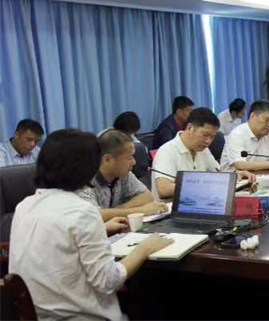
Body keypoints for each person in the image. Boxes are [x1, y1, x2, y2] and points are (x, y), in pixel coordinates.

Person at [9, 128, 173, 321]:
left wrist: (100, 228)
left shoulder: (25, 206)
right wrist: (145, 248)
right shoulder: (82, 212)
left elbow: (54, 243)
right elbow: (108, 281)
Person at [152, 107, 255, 200]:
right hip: (170, 209)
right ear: (189, 128)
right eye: (205, 135)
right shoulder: (167, 151)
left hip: (199, 203)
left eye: (212, 137)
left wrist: (234, 174)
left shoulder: (202, 150)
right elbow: (163, 189)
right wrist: (201, 185)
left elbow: (217, 174)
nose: (208, 141)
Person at [79, 130, 168, 221]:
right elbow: (93, 216)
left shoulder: (123, 174)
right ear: (107, 159)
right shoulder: (84, 180)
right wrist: (141, 210)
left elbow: (147, 196)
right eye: (129, 157)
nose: (134, 162)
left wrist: (111, 212)